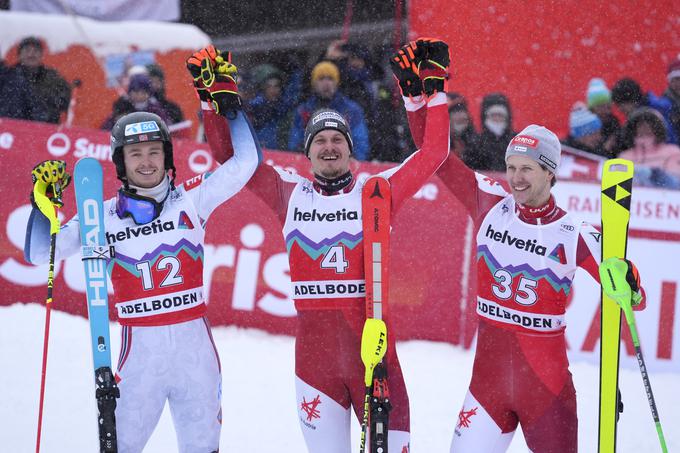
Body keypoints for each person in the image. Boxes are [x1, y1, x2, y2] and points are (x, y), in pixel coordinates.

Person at [196, 38, 451, 452]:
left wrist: (429, 94)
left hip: (374, 362)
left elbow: (434, 152)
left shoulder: (376, 192)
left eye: (337, 140)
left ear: (351, 150)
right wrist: (216, 105)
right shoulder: (288, 193)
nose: (329, 147)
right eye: (320, 141)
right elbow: (233, 161)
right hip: (314, 367)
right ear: (307, 152)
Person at [24, 48, 261, 452]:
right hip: (140, 358)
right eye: (136, 154)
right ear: (121, 161)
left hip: (195, 355)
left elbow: (245, 164)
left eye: (154, 152)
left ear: (167, 157)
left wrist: (229, 106)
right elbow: (38, 252)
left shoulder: (192, 199)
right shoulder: (102, 218)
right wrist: (40, 205)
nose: (146, 161)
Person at [407, 109, 646, 451]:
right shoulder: (490, 204)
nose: (516, 178)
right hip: (486, 391)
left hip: (546, 393)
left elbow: (635, 298)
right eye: (511, 167)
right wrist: (418, 101)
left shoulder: (574, 234)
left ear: (550, 173)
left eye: (527, 169)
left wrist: (629, 280)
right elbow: (434, 155)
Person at [288, 60, 370, 160]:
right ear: (314, 84)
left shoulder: (351, 110)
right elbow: (294, 143)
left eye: (330, 79)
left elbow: (361, 142)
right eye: (321, 78)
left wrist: (355, 158)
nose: (326, 83)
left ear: (337, 83)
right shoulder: (303, 111)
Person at [13, 36, 71, 124]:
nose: (31, 54)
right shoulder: (9, 76)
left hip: (45, 130)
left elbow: (66, 102)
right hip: (14, 129)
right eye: (27, 50)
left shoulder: (53, 77)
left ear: (41, 55)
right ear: (19, 55)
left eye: (35, 51)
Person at [618, 107, 680, 184]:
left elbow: (676, 181)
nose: (645, 127)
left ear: (658, 127)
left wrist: (656, 176)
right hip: (635, 194)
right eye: (640, 124)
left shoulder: (673, 151)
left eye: (650, 124)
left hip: (664, 194)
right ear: (634, 128)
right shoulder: (625, 156)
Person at [101, 73, 172, 130]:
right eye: (135, 91)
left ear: (149, 94)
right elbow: (106, 129)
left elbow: (165, 127)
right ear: (129, 92)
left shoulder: (155, 110)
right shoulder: (123, 107)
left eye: (143, 92)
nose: (139, 96)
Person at [471, 93, 515, 171]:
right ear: (486, 117)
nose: (497, 118)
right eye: (493, 115)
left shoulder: (516, 141)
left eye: (500, 115)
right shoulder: (476, 142)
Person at [586, 78, 620, 155]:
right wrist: (604, 149)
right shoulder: (584, 127)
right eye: (601, 107)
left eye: (608, 107)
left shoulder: (615, 124)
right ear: (592, 109)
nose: (606, 111)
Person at [447, 92, 480, 166]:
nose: (460, 116)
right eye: (455, 112)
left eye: (463, 111)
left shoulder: (478, 142)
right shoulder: (438, 142)